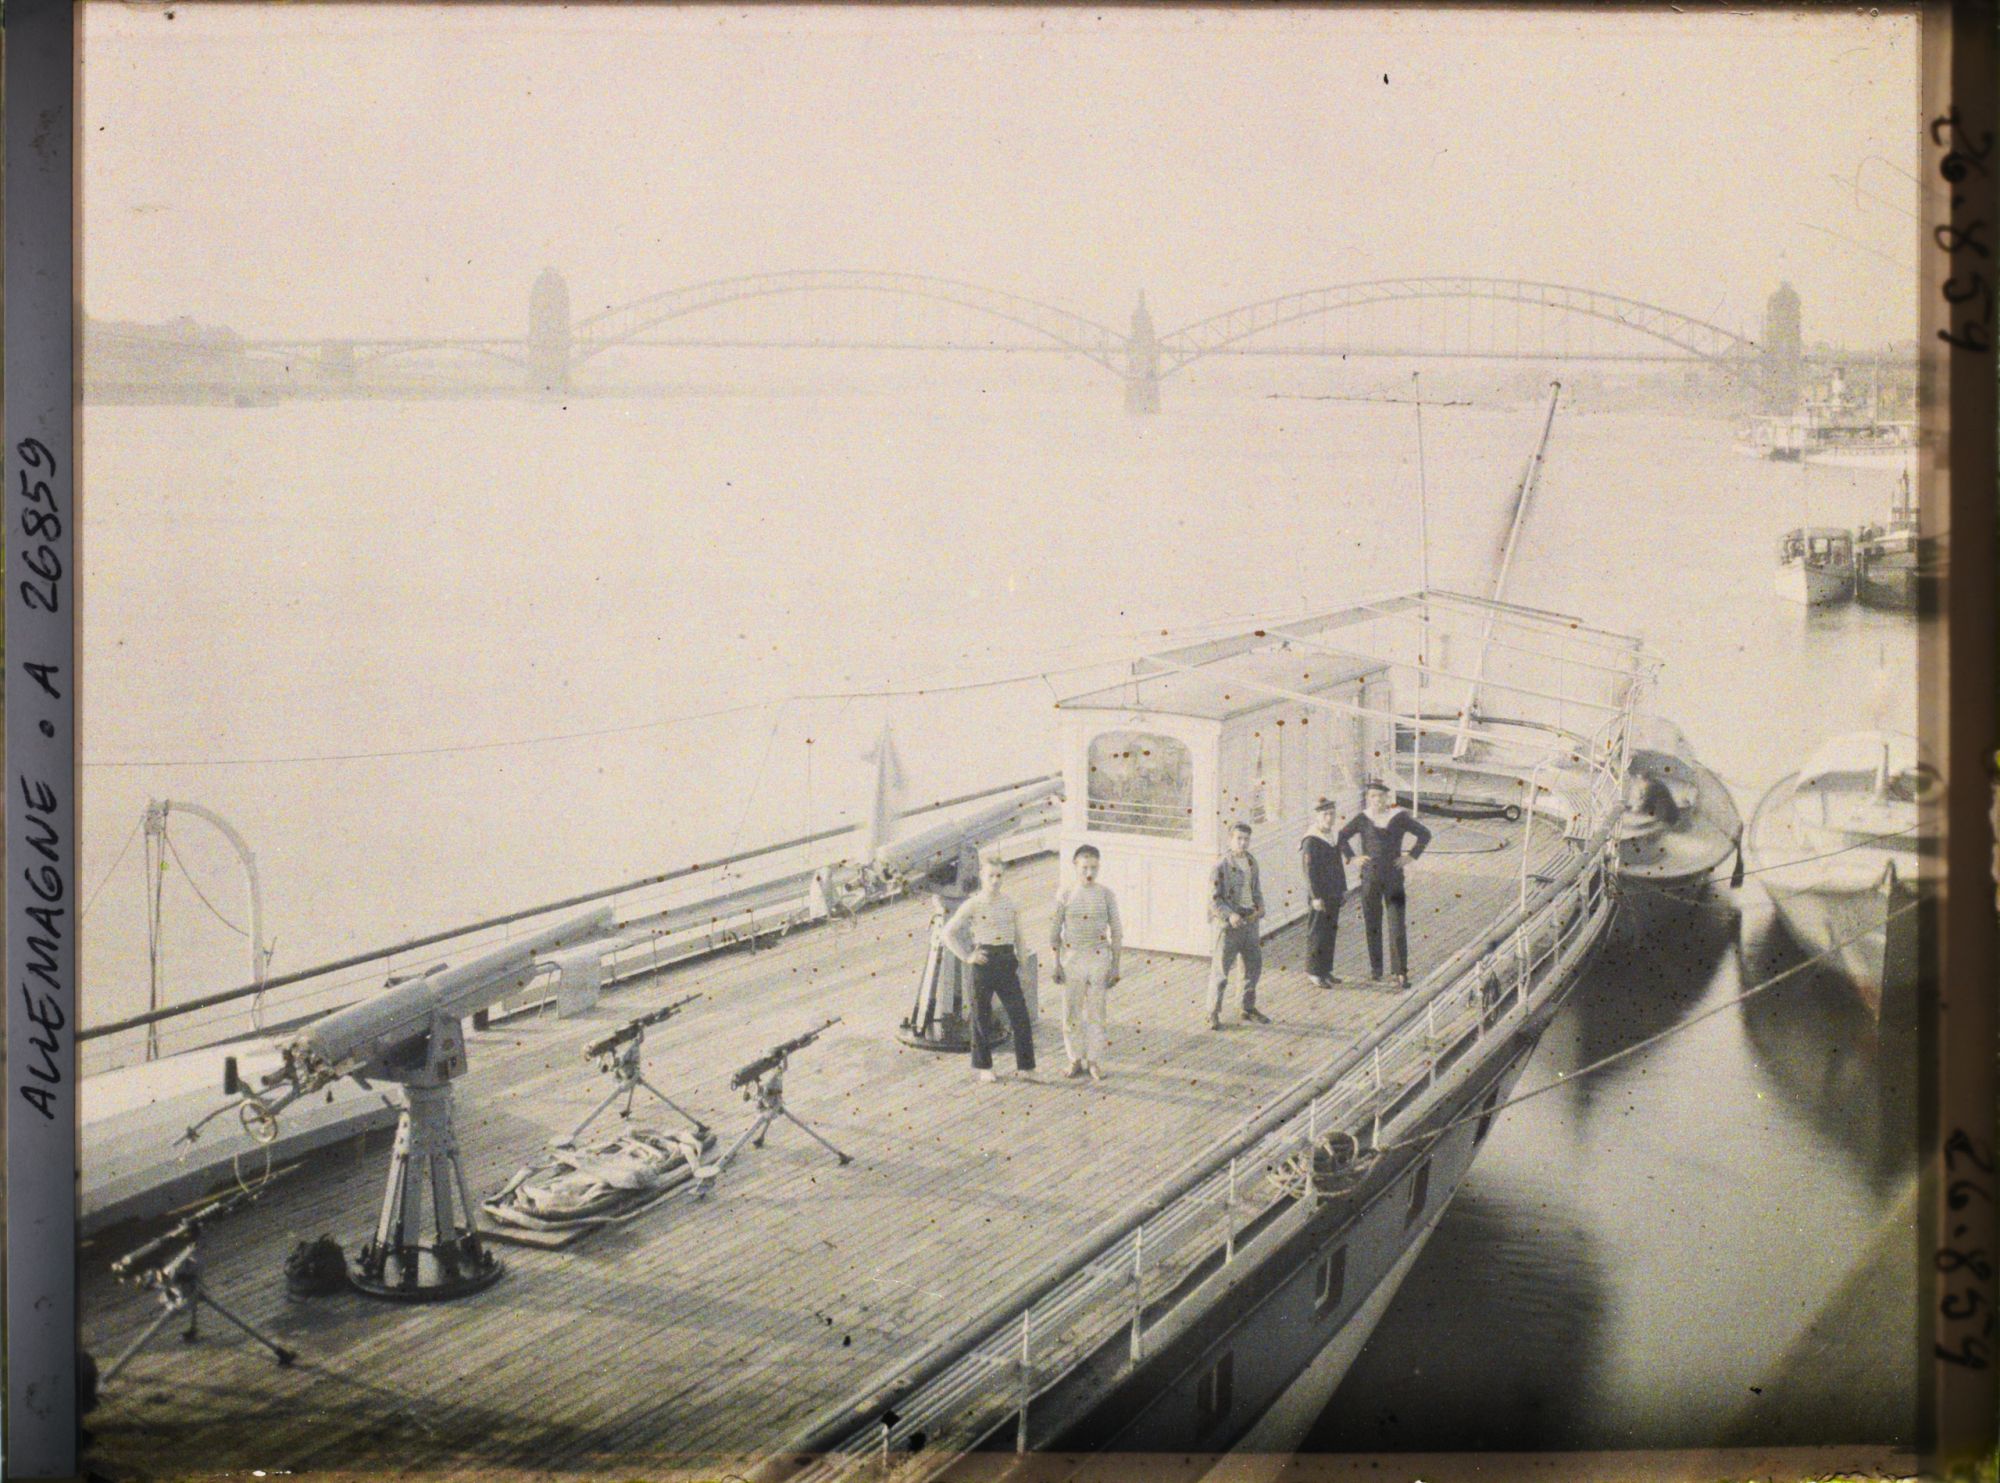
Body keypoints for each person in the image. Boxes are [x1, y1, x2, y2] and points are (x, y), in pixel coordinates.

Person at [942, 852, 1037, 1082]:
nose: (995, 880)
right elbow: (948, 933)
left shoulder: (1010, 904)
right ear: (981, 877)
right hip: (983, 963)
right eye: (990, 876)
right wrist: (967, 957)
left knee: (1020, 1016)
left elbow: (1020, 938)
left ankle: (1026, 1067)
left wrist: (1024, 968)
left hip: (1007, 961)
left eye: (999, 876)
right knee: (980, 1017)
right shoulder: (973, 904)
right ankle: (984, 1066)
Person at [1337, 782, 1433, 987]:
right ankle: (1376, 968)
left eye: (1381, 796)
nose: (1377, 800)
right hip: (1370, 878)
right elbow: (1341, 837)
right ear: (1368, 799)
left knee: (1397, 924)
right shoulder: (1363, 819)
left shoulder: (1399, 817)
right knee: (1372, 923)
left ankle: (1400, 971)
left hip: (1394, 877)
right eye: (1373, 796)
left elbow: (1425, 834)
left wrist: (1411, 856)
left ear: (1387, 798)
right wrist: (1353, 857)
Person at [1049, 845, 1122, 1082]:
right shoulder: (1065, 894)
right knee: (1071, 1012)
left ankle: (1093, 1060)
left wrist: (1115, 966)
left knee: (1096, 1012)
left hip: (1098, 957)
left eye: (1094, 867)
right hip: (1072, 958)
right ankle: (1074, 1058)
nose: (1089, 873)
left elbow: (1117, 932)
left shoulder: (1106, 895)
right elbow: (1054, 932)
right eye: (1084, 868)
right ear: (1075, 866)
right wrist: (1056, 964)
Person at [1207, 822, 1270, 1028]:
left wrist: (1260, 907)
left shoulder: (1251, 862)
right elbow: (1214, 900)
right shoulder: (1221, 865)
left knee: (1252, 967)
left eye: (1246, 839)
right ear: (1230, 840)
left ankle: (1246, 1007)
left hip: (1250, 922)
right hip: (1229, 927)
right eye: (1239, 839)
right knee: (1221, 971)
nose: (1243, 843)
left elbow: (1256, 889)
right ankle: (1212, 1012)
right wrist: (1230, 915)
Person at [1299, 798, 1353, 987]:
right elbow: (1309, 871)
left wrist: (1343, 889)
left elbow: (1338, 865)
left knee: (1330, 931)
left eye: (1332, 814)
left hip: (1334, 892)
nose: (1329, 818)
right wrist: (1315, 897)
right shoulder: (1311, 840)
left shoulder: (1333, 836)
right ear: (1317, 816)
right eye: (1325, 815)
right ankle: (1314, 971)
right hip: (1320, 895)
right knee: (1317, 932)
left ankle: (1326, 970)